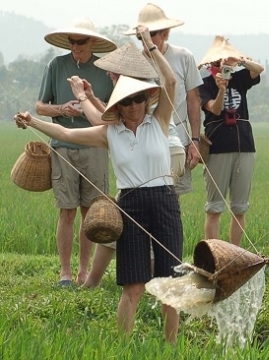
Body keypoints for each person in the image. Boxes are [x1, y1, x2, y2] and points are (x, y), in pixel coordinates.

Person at [16, 26, 182, 344]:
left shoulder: (157, 122)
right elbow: (66, 134)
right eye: (126, 101)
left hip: (163, 200)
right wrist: (31, 120)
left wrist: (150, 46)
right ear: (117, 106)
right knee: (132, 285)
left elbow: (170, 81)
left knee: (169, 285)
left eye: (137, 99)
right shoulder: (110, 133)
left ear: (145, 101)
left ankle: (172, 346)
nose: (133, 106)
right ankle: (122, 346)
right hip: (130, 205)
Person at [80, 43, 173, 288]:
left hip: (155, 160)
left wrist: (84, 98)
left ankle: (154, 279)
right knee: (126, 224)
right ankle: (133, 279)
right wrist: (89, 97)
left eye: (113, 70)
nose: (109, 74)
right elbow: (111, 122)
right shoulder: (125, 97)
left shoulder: (137, 91)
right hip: (135, 176)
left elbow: (103, 121)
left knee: (150, 229)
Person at [35, 17, 116, 286]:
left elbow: (114, 109)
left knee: (90, 211)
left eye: (81, 41)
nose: (76, 46)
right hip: (63, 146)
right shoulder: (57, 65)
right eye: (72, 41)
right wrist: (62, 109)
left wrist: (89, 101)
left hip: (95, 145)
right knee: (66, 210)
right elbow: (40, 107)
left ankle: (84, 271)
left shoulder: (106, 69)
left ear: (92, 42)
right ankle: (65, 273)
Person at [124, 3, 203, 195]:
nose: (146, 40)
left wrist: (194, 140)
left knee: (172, 199)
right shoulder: (132, 62)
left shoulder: (184, 56)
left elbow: (193, 101)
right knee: (143, 196)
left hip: (178, 140)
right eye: (142, 36)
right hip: (144, 141)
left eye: (152, 34)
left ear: (165, 33)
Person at [198, 36, 264, 246]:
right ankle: (214, 255)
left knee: (239, 207)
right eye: (217, 63)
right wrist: (221, 90)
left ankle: (236, 253)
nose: (221, 66)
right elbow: (215, 109)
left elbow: (259, 70)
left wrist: (240, 61)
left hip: (244, 145)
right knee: (215, 207)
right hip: (217, 147)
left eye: (224, 62)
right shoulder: (204, 85)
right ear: (211, 64)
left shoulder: (241, 78)